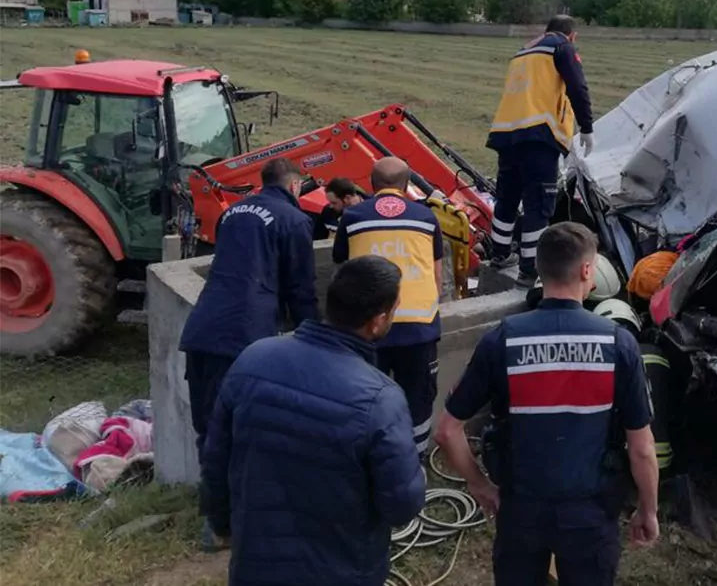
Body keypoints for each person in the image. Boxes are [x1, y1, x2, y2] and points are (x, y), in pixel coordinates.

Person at [434, 221, 659, 586]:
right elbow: (642, 449)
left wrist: (480, 486)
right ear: (587, 270)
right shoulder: (618, 344)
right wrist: (648, 509)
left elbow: (447, 431)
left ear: (539, 268)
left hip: (521, 510)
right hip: (589, 513)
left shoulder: (501, 340)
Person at [201, 255, 426, 586]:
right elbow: (401, 506)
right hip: (343, 571)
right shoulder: (381, 398)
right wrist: (416, 474)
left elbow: (216, 458)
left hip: (256, 567)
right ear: (378, 322)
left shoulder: (253, 358)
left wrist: (222, 525)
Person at [178, 157, 318, 550]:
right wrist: (314, 336)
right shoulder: (294, 221)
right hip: (243, 334)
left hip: (203, 328)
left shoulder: (233, 211)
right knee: (242, 430)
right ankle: (233, 522)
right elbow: (300, 288)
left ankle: (213, 517)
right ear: (294, 187)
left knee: (208, 426)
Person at [333, 157, 443, 456]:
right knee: (418, 400)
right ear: (407, 186)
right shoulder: (426, 217)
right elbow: (436, 273)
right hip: (419, 328)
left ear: (372, 184)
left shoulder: (353, 217)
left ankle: (369, 461)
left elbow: (344, 267)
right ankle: (414, 463)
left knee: (365, 399)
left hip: (368, 328)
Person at [486, 15, 594, 287]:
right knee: (538, 203)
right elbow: (577, 86)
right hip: (538, 135)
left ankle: (499, 254)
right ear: (572, 35)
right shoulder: (562, 48)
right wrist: (587, 126)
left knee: (507, 199)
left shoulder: (524, 51)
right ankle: (529, 271)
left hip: (506, 133)